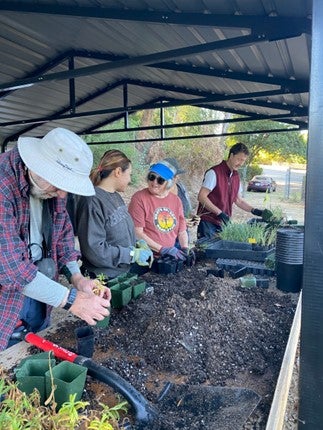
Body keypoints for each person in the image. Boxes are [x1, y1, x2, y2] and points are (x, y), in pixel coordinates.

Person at [0, 127, 111, 351]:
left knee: (36, 354)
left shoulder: (50, 188)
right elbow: (10, 269)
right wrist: (72, 300)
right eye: (59, 185)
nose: (62, 195)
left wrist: (78, 279)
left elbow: (63, 239)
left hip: (40, 290)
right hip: (6, 300)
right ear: (36, 165)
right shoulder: (3, 186)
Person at [75, 149, 153, 280]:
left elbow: (120, 232)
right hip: (103, 278)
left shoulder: (116, 197)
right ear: (117, 172)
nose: (129, 180)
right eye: (129, 174)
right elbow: (95, 250)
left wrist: (137, 242)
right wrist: (132, 254)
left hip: (122, 272)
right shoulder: (92, 201)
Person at [197, 142, 267, 239]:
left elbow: (238, 200)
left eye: (243, 161)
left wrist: (255, 211)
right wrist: (219, 213)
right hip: (208, 222)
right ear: (231, 155)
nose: (240, 163)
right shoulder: (214, 172)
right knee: (206, 252)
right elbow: (201, 197)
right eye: (239, 159)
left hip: (223, 222)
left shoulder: (235, 176)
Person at [128, 160, 190, 261]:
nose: (154, 182)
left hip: (167, 257)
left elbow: (182, 231)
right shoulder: (139, 198)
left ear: (168, 183)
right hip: (145, 257)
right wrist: (162, 249)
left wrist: (185, 248)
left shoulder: (176, 200)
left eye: (160, 180)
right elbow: (137, 233)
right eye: (151, 177)